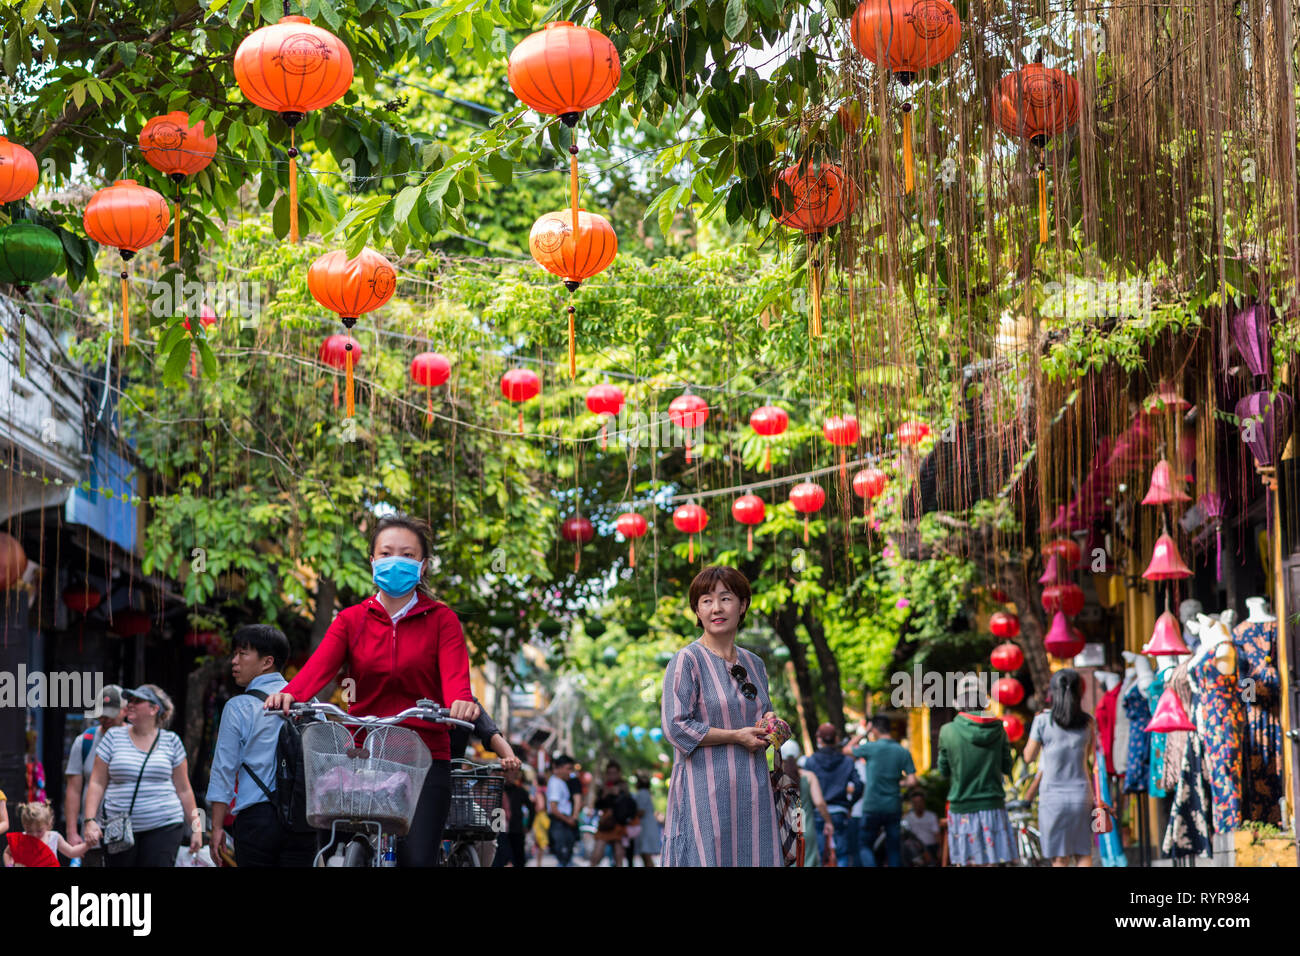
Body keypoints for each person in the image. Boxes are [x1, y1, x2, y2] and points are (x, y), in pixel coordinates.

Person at [263, 513, 480, 867]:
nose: (397, 561)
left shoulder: (442, 620)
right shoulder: (351, 619)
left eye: (408, 555)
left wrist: (460, 702)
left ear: (423, 567)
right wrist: (291, 693)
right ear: (373, 560)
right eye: (387, 552)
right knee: (337, 845)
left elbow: (457, 680)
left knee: (417, 860)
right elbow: (317, 670)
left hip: (425, 755)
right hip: (363, 753)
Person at [660, 565, 784, 866]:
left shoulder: (755, 663)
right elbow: (675, 728)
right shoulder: (686, 660)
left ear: (742, 605)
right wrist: (736, 736)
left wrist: (775, 727)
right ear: (697, 610)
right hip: (705, 792)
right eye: (706, 600)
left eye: (726, 598)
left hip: (753, 790)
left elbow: (763, 711)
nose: (716, 608)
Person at [207, 624, 317, 867]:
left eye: (243, 654)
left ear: (267, 661)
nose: (234, 661)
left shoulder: (238, 707)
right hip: (304, 818)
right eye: (234, 654)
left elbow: (223, 770)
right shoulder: (310, 702)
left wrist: (216, 827)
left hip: (257, 819)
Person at [82, 685, 202, 867]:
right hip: (118, 828)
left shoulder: (172, 741)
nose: (130, 704)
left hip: (165, 825)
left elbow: (184, 790)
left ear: (154, 709)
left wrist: (197, 828)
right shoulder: (113, 737)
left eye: (137, 701)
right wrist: (90, 820)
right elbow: (97, 783)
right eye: (129, 700)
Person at [1023, 668, 1106, 867]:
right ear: (1079, 692)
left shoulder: (1042, 721)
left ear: (1053, 692)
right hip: (1081, 795)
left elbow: (1028, 757)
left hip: (1052, 798)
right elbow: (1088, 758)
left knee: (1059, 857)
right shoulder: (1088, 722)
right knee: (1083, 853)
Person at [937, 675, 1017, 866]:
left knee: (968, 862)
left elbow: (943, 771)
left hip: (962, 808)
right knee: (993, 861)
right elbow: (1007, 766)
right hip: (993, 806)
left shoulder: (947, 731)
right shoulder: (999, 730)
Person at [62, 684, 125, 867]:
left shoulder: (135, 740)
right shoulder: (85, 742)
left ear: (124, 711)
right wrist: (72, 832)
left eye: (111, 713)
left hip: (127, 832)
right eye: (101, 712)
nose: (105, 718)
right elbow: (73, 790)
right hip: (92, 833)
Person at [850, 714, 918, 867]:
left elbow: (847, 749)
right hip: (893, 805)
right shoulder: (902, 751)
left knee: (864, 845)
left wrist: (864, 732)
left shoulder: (870, 748)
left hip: (872, 805)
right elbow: (913, 781)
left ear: (873, 729)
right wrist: (898, 783)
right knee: (893, 848)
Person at [805, 722, 859, 866]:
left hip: (818, 812)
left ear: (819, 739)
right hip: (839, 811)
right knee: (842, 853)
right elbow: (859, 785)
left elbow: (804, 788)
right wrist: (850, 804)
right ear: (836, 738)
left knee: (820, 853)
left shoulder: (811, 761)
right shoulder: (847, 761)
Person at [779, 740, 831, 867]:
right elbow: (819, 802)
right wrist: (828, 822)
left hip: (785, 831)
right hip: (806, 828)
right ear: (798, 755)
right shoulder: (809, 776)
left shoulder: (777, 779)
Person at [4, 800, 86, 867]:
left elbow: (71, 852)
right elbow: (7, 853)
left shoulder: (54, 837)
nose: (34, 835)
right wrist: (9, 865)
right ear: (24, 825)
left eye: (39, 831)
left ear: (48, 824)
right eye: (29, 830)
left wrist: (88, 845)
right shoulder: (21, 838)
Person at [587, 760, 633, 866]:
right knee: (597, 854)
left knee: (619, 855)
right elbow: (597, 805)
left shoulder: (623, 786)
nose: (612, 775)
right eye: (610, 773)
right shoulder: (603, 786)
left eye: (614, 773)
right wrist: (604, 794)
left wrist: (619, 794)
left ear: (619, 773)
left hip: (619, 823)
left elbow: (629, 805)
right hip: (605, 823)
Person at [492, 767, 531, 867]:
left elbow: (532, 809)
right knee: (501, 857)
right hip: (500, 830)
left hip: (516, 830)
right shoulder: (498, 790)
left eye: (515, 773)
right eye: (509, 772)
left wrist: (528, 826)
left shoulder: (520, 791)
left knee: (518, 859)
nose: (512, 775)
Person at [546, 755, 579, 866]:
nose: (570, 772)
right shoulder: (555, 783)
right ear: (559, 768)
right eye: (568, 768)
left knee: (566, 858)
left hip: (563, 822)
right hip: (560, 823)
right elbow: (553, 808)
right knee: (563, 858)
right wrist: (568, 820)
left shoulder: (561, 782)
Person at [630, 772, 661, 867]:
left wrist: (631, 815)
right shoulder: (646, 793)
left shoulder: (641, 794)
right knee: (645, 855)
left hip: (645, 827)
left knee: (646, 854)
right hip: (648, 825)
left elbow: (641, 811)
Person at [903, 789, 940, 865]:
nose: (918, 804)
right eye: (916, 802)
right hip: (914, 849)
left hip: (930, 847)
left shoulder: (931, 816)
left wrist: (940, 849)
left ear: (924, 802)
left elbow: (937, 835)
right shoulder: (907, 818)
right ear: (912, 804)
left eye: (920, 802)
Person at [531, 771, 551, 866]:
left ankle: (539, 863)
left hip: (540, 817)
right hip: (545, 816)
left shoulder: (538, 791)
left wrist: (535, 804)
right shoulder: (546, 789)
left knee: (540, 842)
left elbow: (541, 805)